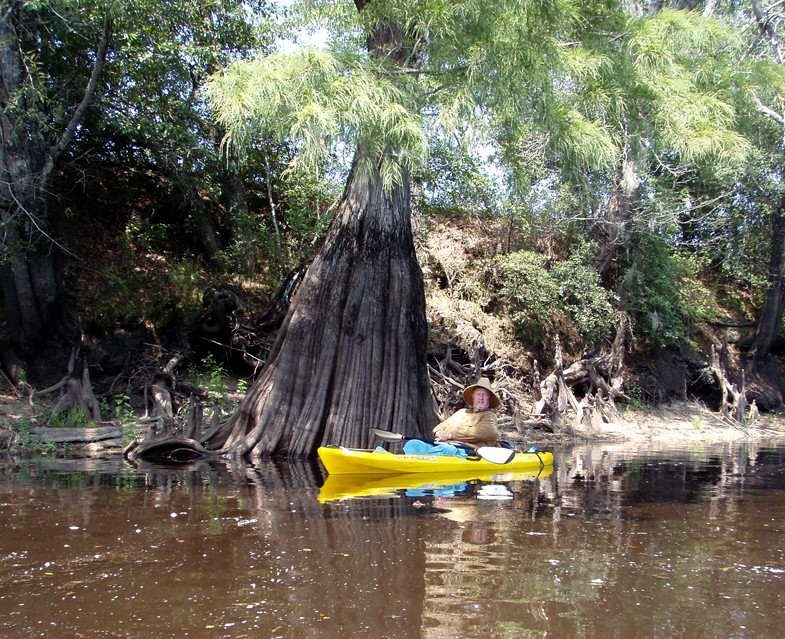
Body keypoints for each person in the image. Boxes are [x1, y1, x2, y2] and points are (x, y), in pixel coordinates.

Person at [432, 377, 501, 448]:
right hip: (443, 445)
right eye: (478, 394)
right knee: (420, 444)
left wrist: (450, 435)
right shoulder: (462, 412)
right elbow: (440, 426)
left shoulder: (489, 416)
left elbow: (477, 434)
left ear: (489, 399)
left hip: (464, 451)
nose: (481, 398)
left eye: (485, 395)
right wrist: (439, 432)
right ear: (473, 397)